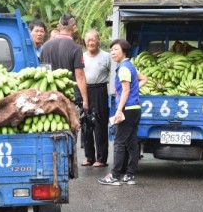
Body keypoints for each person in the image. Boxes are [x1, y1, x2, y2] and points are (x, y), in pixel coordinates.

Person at [99, 39, 147, 186]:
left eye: (116, 49)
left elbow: (125, 90)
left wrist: (119, 110)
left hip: (127, 109)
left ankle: (114, 176)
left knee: (119, 143)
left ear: (124, 51)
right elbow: (144, 79)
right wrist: (134, 90)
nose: (112, 52)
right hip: (135, 109)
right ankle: (130, 175)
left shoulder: (124, 68)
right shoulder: (130, 66)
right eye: (111, 50)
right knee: (132, 143)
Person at [40, 13, 88, 111]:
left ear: (58, 27)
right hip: (71, 96)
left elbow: (43, 73)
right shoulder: (76, 48)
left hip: (51, 96)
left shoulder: (45, 46)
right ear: (74, 27)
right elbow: (80, 76)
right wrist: (86, 100)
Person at [81, 29, 111, 168]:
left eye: (93, 39)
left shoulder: (107, 56)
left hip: (100, 90)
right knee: (86, 124)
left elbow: (115, 73)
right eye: (88, 40)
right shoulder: (81, 56)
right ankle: (89, 157)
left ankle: (101, 158)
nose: (90, 42)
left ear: (98, 41)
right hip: (85, 90)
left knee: (100, 125)